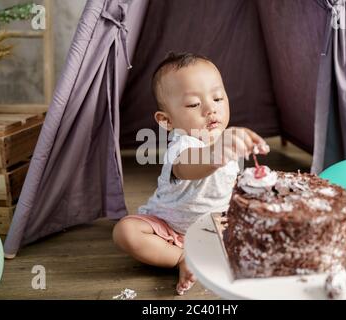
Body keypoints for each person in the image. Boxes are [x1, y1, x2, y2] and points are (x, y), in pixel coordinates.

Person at [113, 52, 269, 295]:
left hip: (218, 224)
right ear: (166, 121)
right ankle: (181, 257)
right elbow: (187, 166)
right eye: (194, 104)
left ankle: (215, 249)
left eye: (218, 98)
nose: (210, 109)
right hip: (171, 229)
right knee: (126, 232)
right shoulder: (183, 145)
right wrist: (215, 153)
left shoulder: (225, 140)